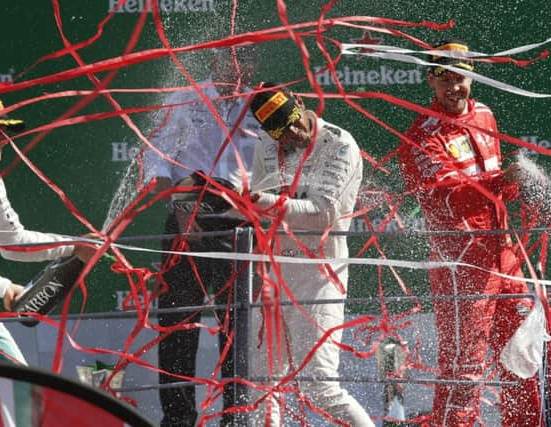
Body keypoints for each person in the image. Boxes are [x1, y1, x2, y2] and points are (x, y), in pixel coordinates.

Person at [397, 40, 541, 426]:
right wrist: (499, 181)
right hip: (462, 268)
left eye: (460, 78)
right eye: (444, 80)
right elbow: (443, 201)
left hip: (503, 258)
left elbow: (495, 190)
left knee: (522, 352)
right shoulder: (422, 136)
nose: (453, 88)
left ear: (471, 77)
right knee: (465, 366)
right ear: (430, 81)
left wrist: (515, 185)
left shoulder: (486, 115)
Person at [0, 96, 96, 426]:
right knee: (25, 394)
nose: (5, 137)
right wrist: (74, 246)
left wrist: (3, 286)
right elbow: (13, 245)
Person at [240, 82, 374, 426]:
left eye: (295, 121)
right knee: (262, 385)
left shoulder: (339, 144)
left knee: (320, 387)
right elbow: (258, 196)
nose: (294, 133)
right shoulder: (266, 144)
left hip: (319, 277)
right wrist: (247, 206)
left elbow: (323, 213)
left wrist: (264, 204)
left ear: (299, 102)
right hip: (273, 276)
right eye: (282, 132)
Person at [142, 47, 260, 427]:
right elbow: (155, 156)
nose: (237, 65)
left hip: (241, 219)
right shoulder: (186, 96)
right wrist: (178, 204)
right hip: (187, 214)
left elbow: (279, 163)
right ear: (214, 60)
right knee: (178, 323)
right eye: (230, 56)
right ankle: (177, 420)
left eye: (246, 57)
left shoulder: (263, 103)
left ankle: (236, 417)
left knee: (237, 326)